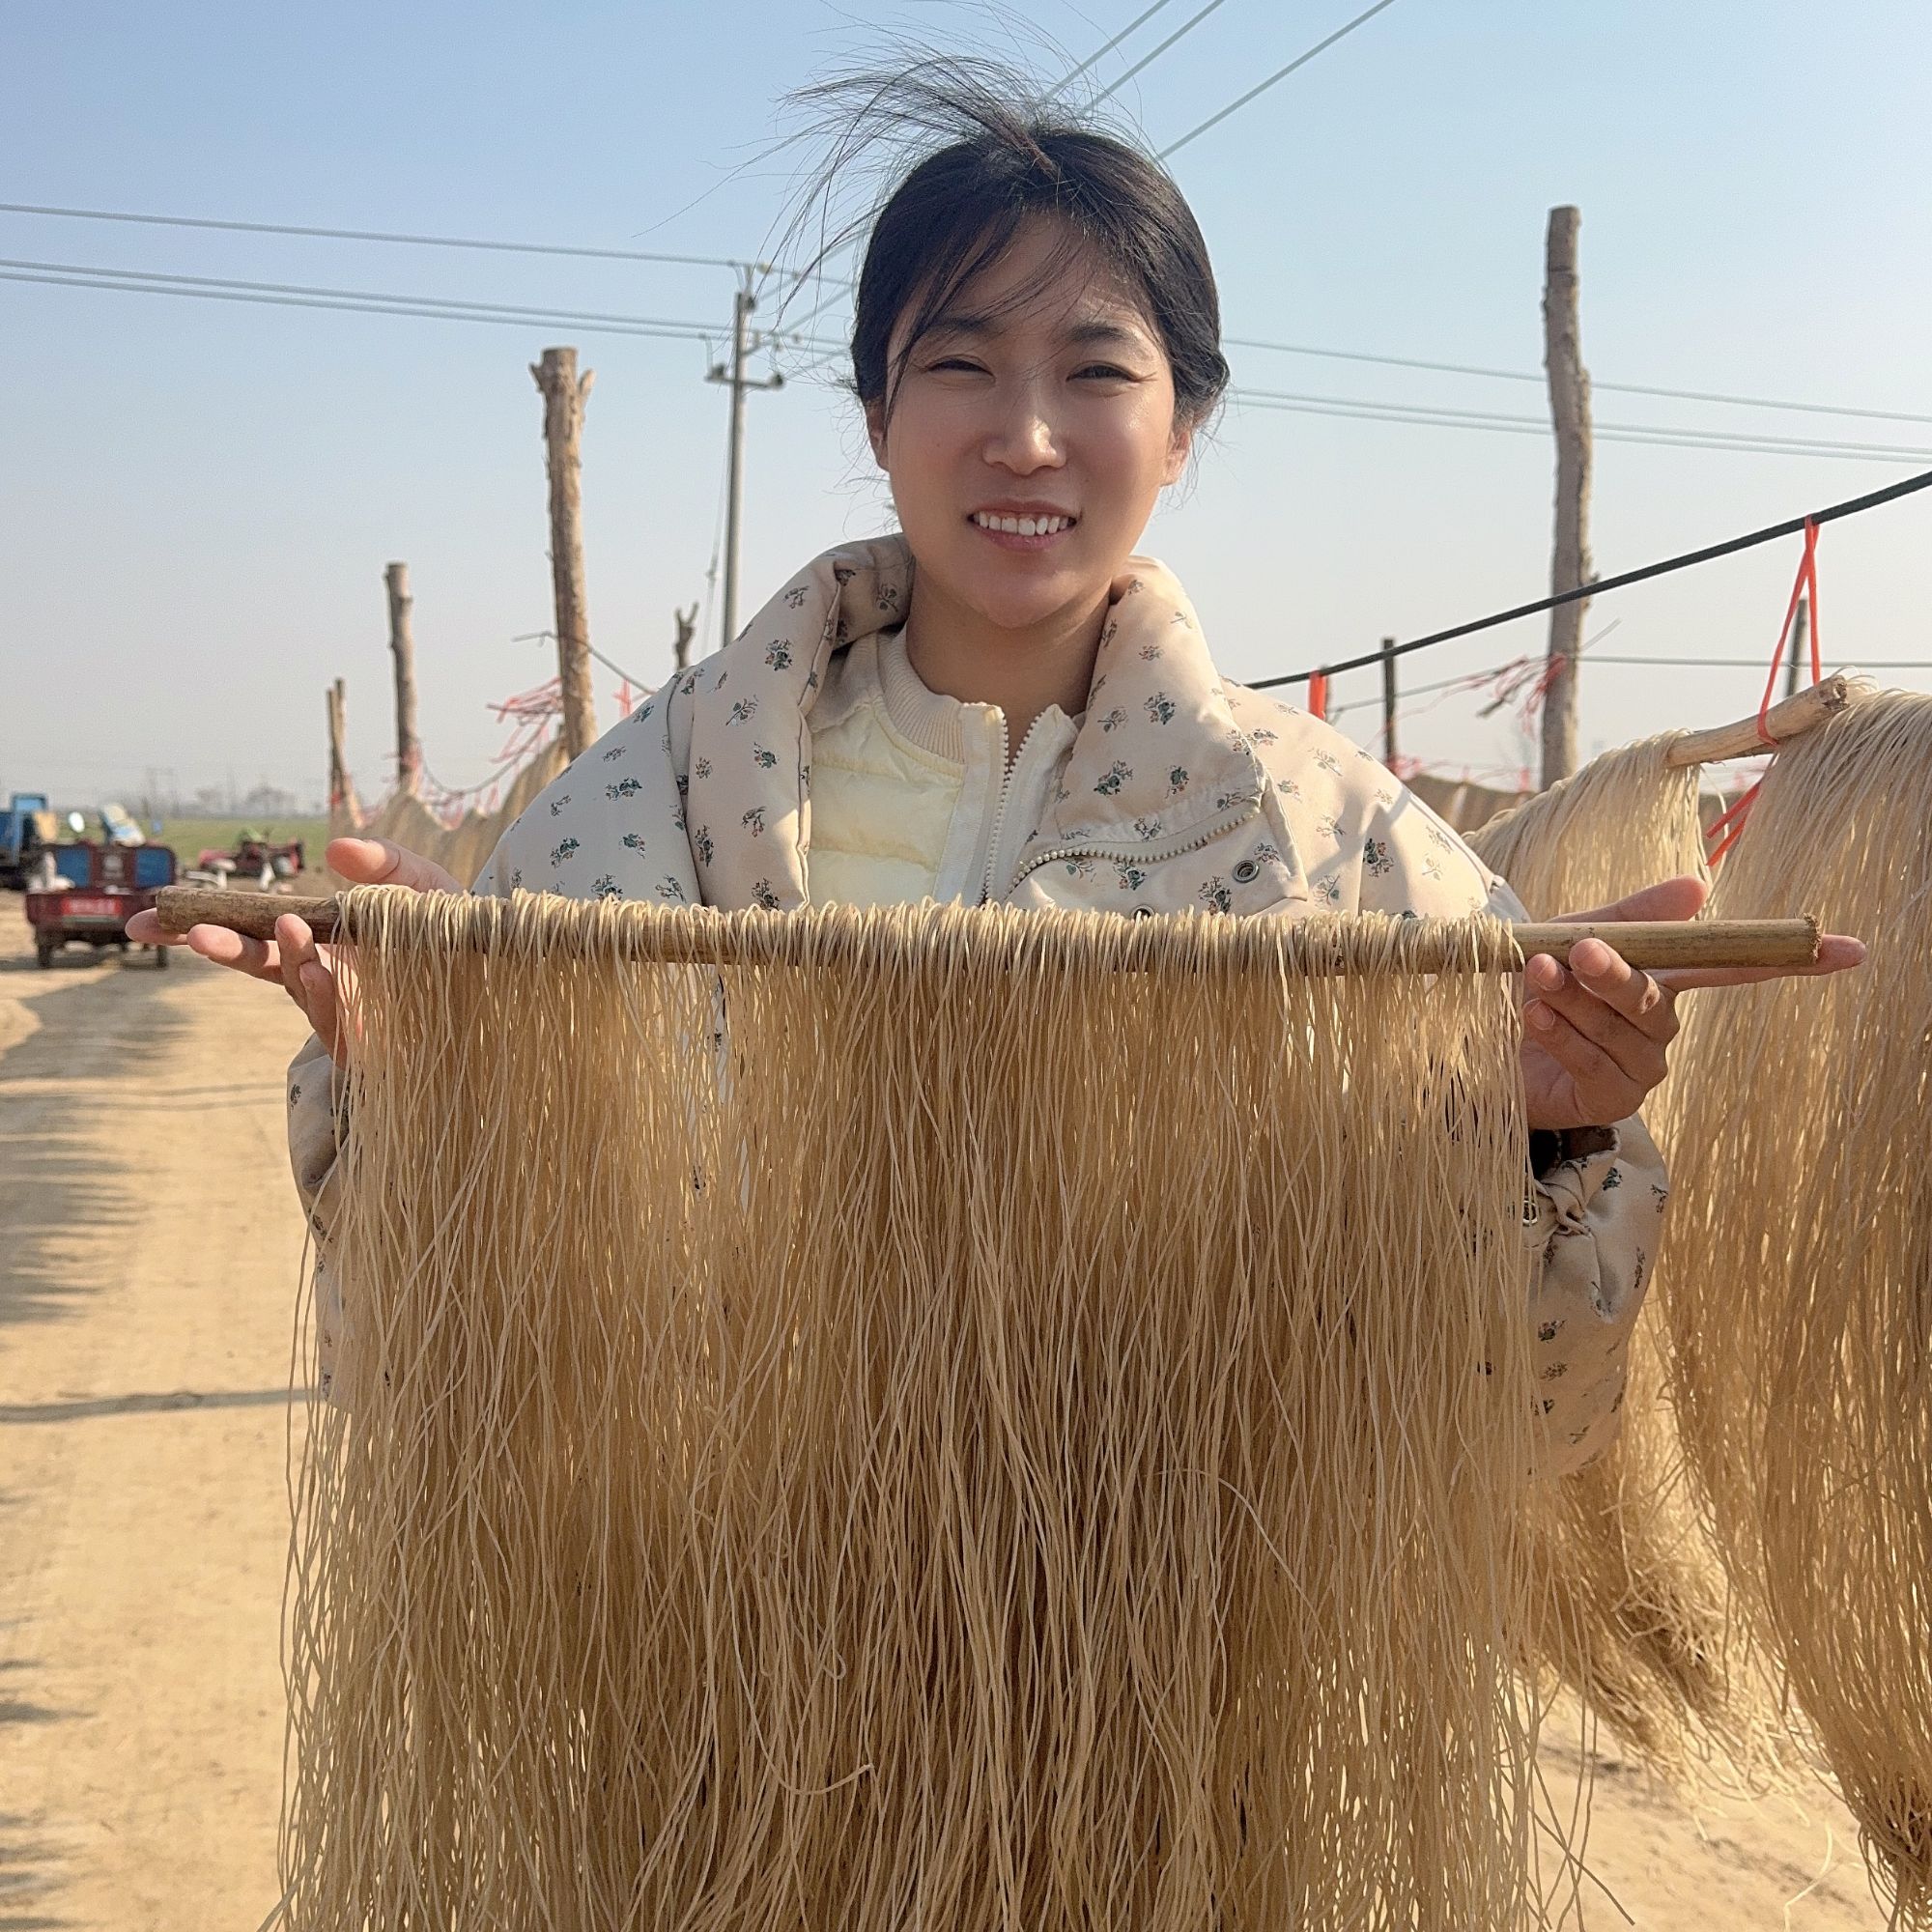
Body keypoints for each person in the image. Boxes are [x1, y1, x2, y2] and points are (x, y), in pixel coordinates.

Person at [130, 67, 1860, 1475]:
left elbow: (1520, 1431)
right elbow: (455, 1381)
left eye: (1096, 371)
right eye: (958, 364)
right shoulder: (639, 821)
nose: (1024, 435)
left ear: (1183, 425)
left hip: (1181, 1701)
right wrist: (434, 1087)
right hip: (721, 1688)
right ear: (877, 415)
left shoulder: (1333, 848)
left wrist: (1541, 1133)